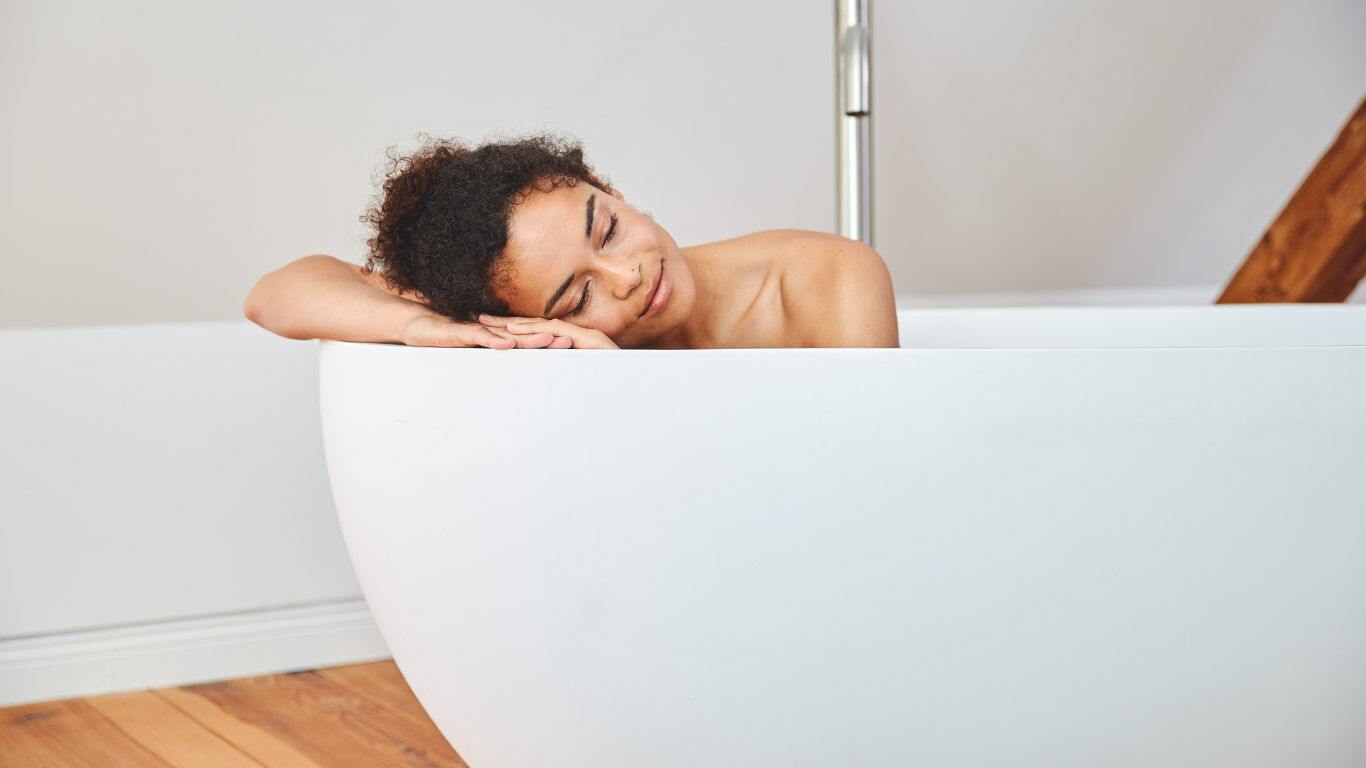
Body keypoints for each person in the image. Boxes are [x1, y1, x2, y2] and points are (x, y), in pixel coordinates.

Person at [244, 134, 899, 349]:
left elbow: (869, 493)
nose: (626, 278)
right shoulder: (500, 308)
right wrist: (423, 328)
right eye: (575, 299)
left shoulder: (828, 276)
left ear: (605, 187)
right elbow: (275, 294)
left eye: (607, 229)